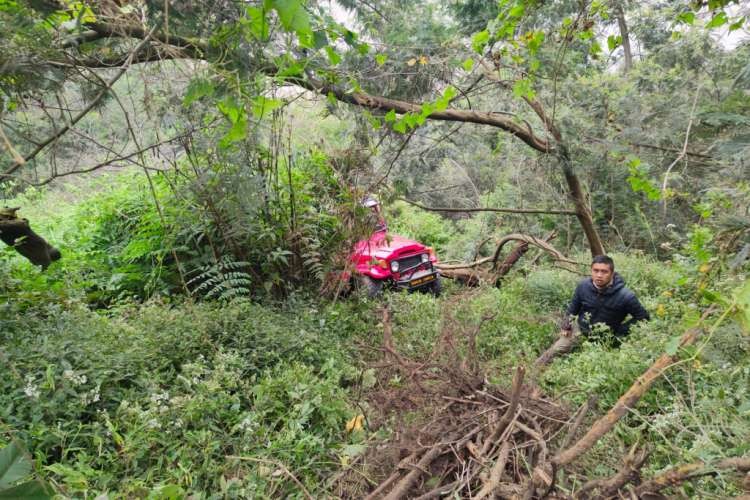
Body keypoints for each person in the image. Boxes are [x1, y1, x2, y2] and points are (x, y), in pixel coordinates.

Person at [535, 255, 650, 366]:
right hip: (580, 330)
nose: (599, 275)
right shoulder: (583, 286)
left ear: (612, 273)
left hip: (606, 339)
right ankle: (532, 370)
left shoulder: (626, 296)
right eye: (596, 270)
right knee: (553, 352)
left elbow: (643, 317)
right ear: (591, 271)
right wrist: (566, 325)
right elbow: (573, 308)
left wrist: (620, 331)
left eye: (604, 271)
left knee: (594, 367)